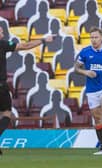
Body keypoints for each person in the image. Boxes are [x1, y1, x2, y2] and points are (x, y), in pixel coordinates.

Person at [0, 26, 55, 155]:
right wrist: (43, 40)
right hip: (1, 86)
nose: (3, 31)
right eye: (0, 30)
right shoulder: (2, 44)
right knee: (7, 113)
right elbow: (25, 46)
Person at [74, 27, 102, 155]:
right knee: (97, 118)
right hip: (92, 90)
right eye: (91, 37)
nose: (93, 40)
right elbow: (76, 68)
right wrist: (85, 72)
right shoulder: (85, 52)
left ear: (101, 38)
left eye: (96, 37)